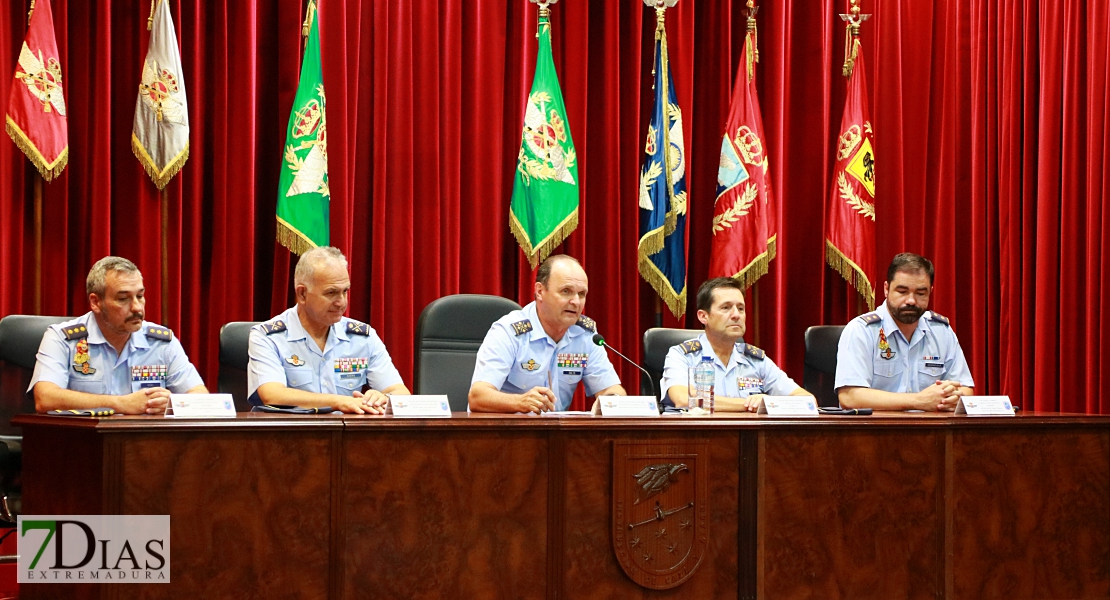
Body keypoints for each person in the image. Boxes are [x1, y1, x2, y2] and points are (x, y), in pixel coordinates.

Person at [29, 256, 208, 415]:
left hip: (145, 445)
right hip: (82, 444)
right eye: (124, 299)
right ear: (96, 302)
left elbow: (201, 397)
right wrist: (121, 404)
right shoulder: (63, 338)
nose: (137, 307)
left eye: (140, 296)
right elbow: (45, 398)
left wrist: (173, 404)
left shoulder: (160, 343)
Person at [247, 246, 410, 414]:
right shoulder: (267, 336)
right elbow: (272, 394)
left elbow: (401, 393)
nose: (341, 302)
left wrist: (384, 397)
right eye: (331, 293)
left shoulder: (362, 337)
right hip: (288, 435)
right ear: (302, 294)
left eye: (345, 291)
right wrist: (338, 402)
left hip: (348, 436)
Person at [468, 254, 625, 414]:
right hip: (506, 434)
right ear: (540, 291)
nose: (576, 302)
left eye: (582, 294)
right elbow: (478, 396)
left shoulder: (586, 335)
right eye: (566, 291)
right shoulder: (509, 331)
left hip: (557, 435)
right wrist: (520, 402)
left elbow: (613, 389)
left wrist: (610, 400)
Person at [835, 252, 974, 411]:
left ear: (930, 291)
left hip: (932, 431)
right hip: (875, 432)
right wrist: (918, 401)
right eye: (902, 291)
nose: (911, 301)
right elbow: (849, 397)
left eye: (921, 293)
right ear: (886, 289)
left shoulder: (941, 331)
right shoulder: (862, 330)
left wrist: (953, 397)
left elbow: (966, 391)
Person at [660, 277, 811, 412]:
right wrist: (751, 404)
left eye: (740, 308)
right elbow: (682, 399)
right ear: (703, 316)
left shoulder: (755, 360)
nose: (736, 315)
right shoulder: (682, 355)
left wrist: (769, 401)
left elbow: (808, 401)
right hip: (696, 439)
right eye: (726, 308)